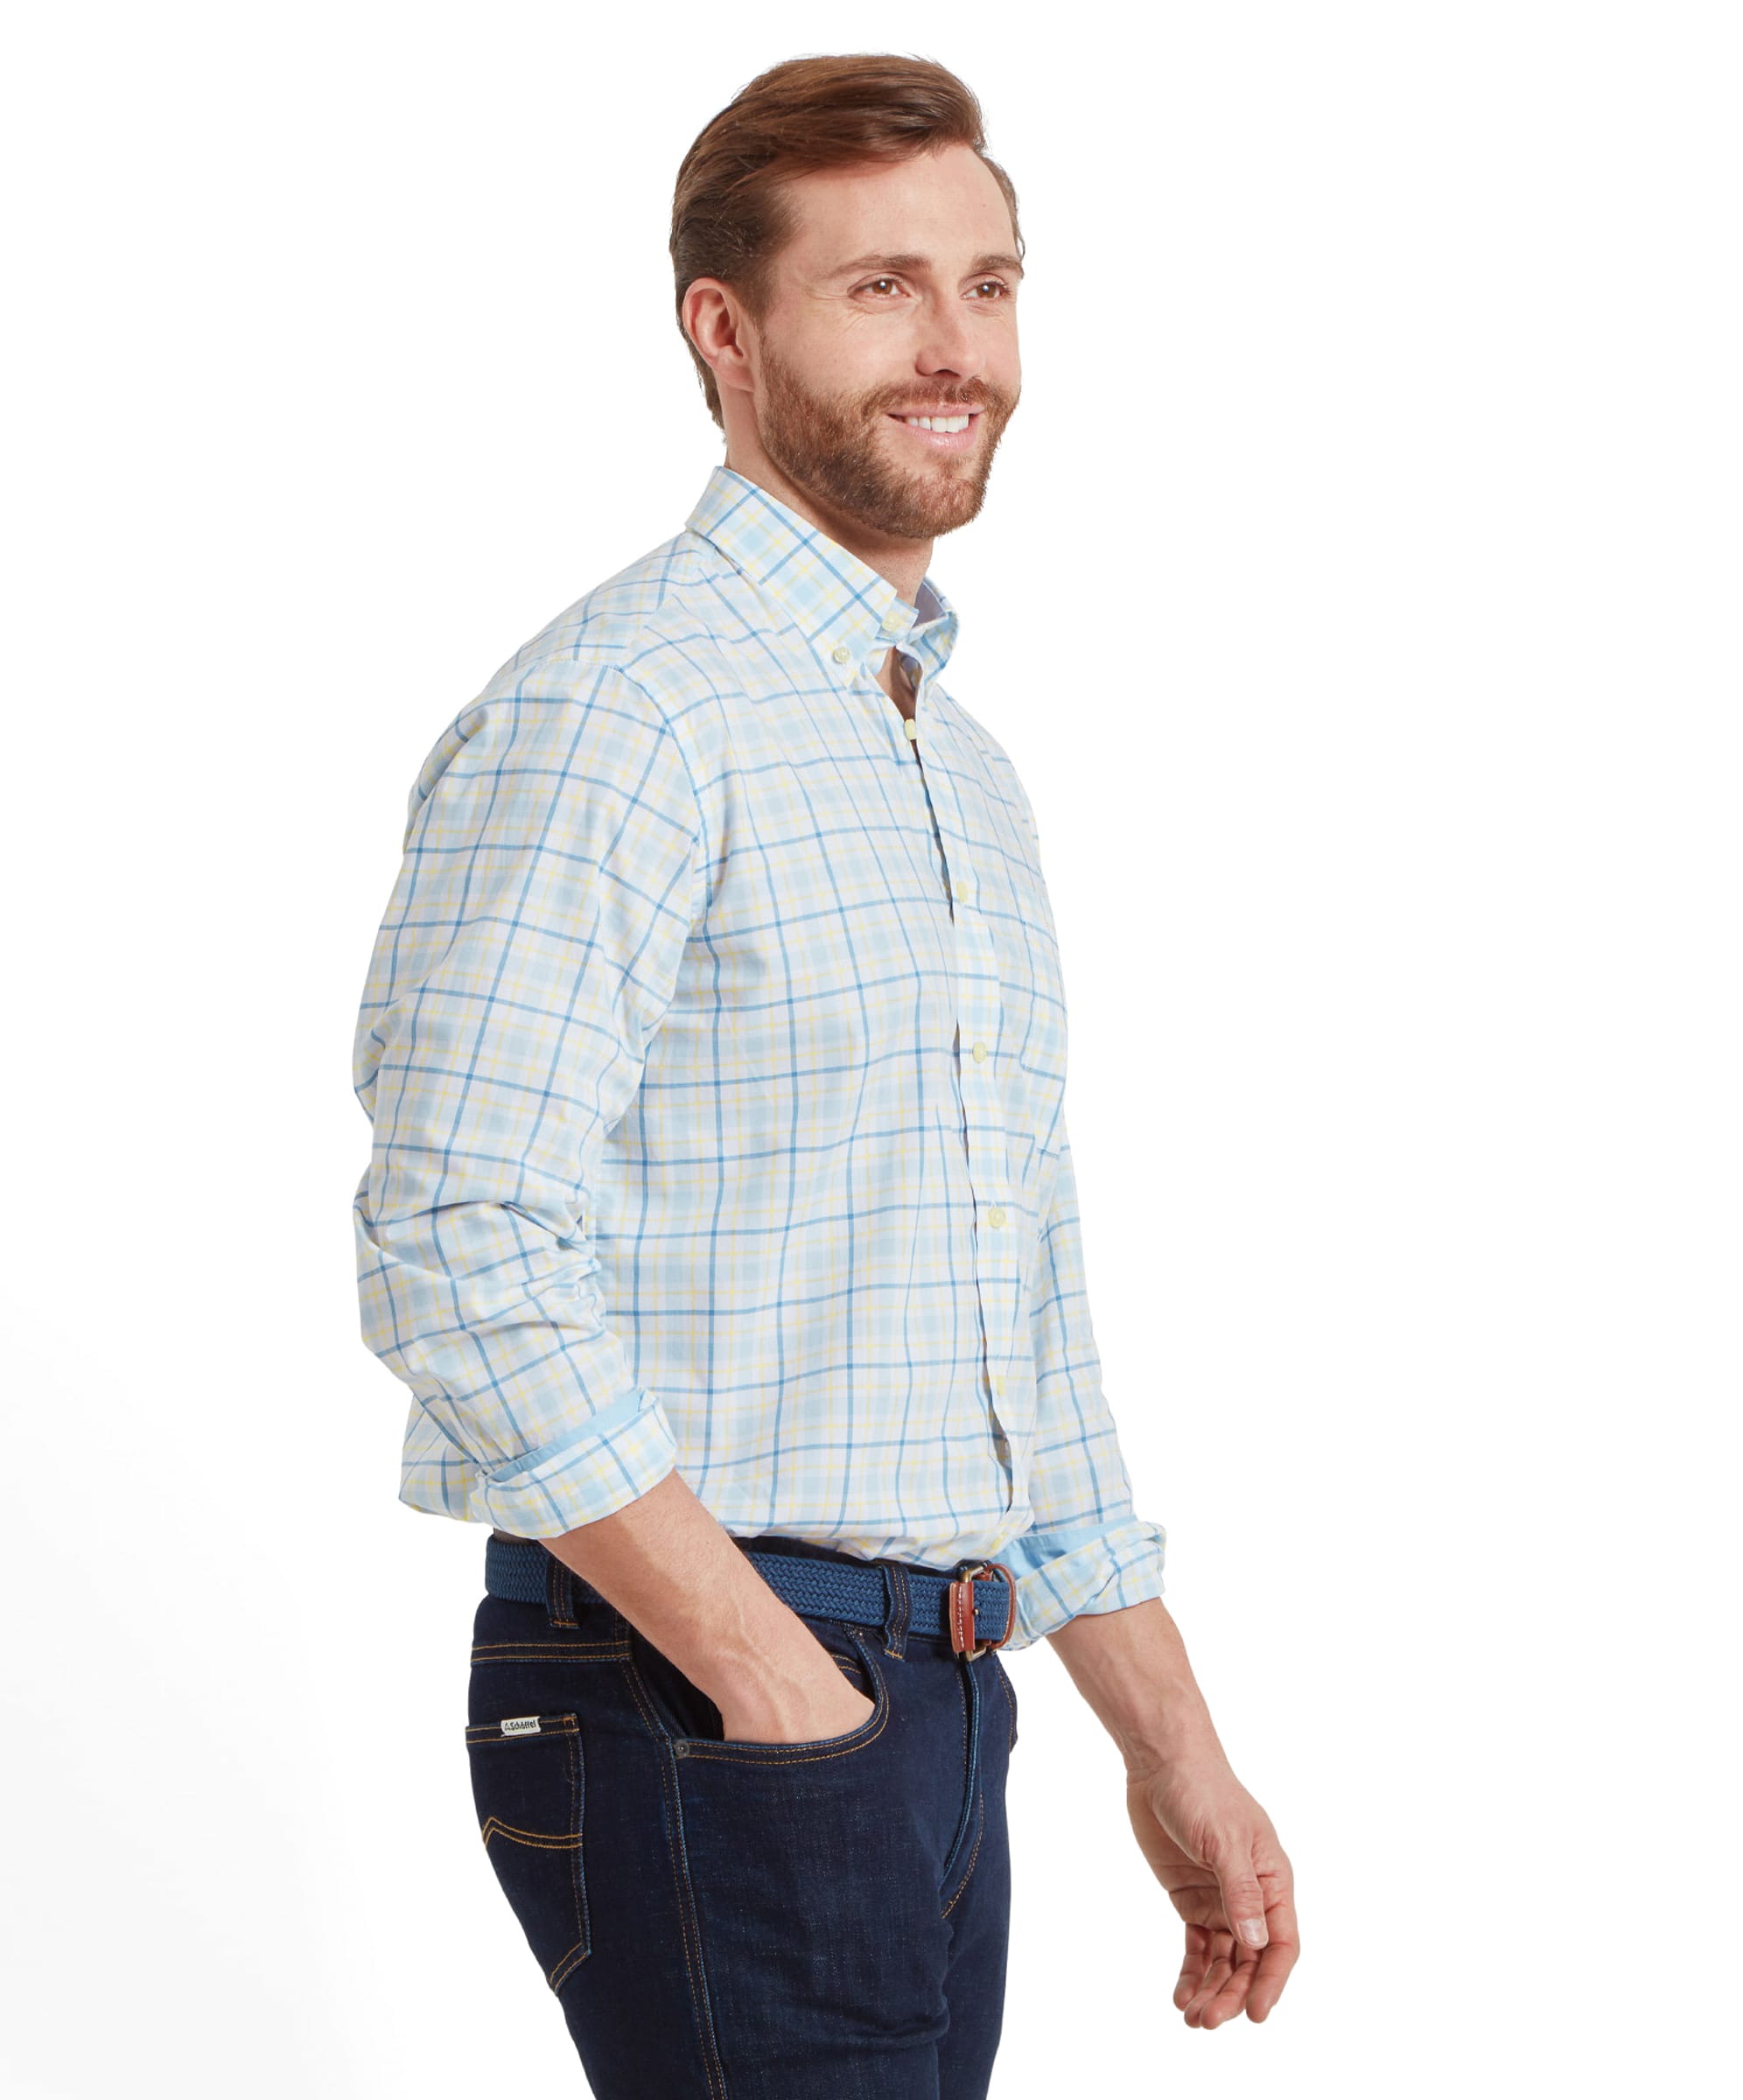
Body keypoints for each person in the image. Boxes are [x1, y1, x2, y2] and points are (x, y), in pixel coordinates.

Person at [351, 51, 1298, 2097]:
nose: (956, 347)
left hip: (941, 1699)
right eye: (881, 288)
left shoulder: (956, 770)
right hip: (708, 1685)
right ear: (727, 328)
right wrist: (775, 1681)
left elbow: (1016, 1322)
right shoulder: (624, 712)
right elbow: (455, 1243)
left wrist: (1178, 1751)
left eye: (990, 282)